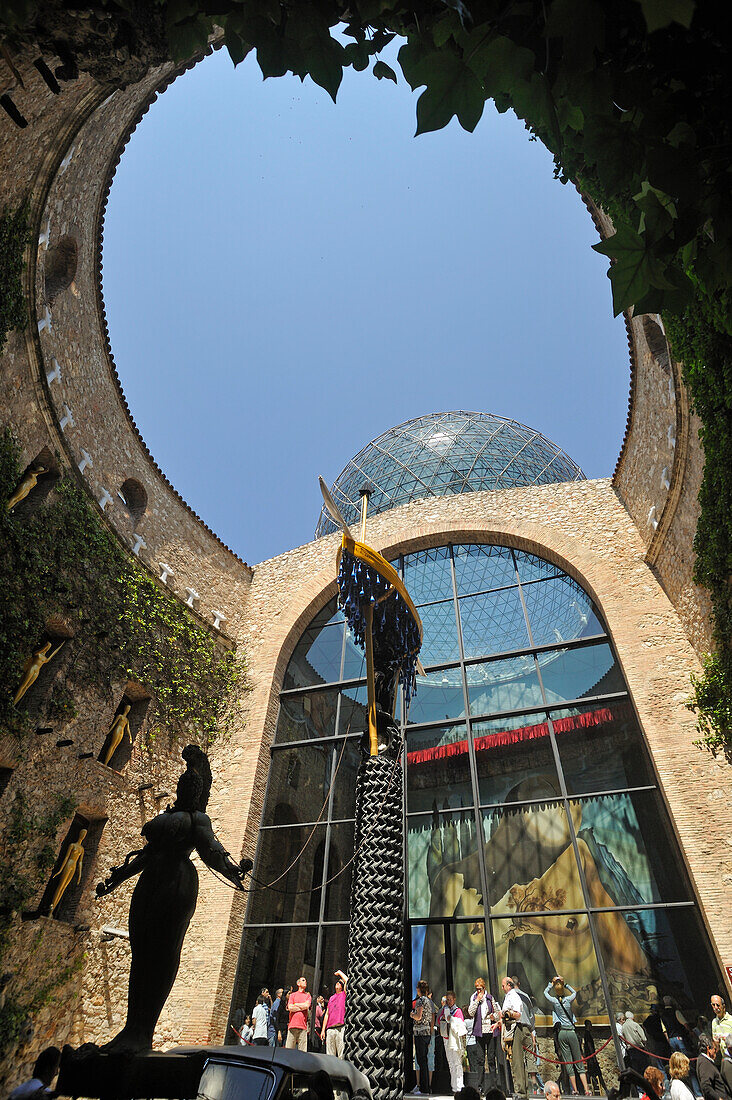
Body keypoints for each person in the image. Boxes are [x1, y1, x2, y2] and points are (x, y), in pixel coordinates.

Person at [543, 976, 589, 1095]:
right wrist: (566, 984)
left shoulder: (554, 1001)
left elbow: (545, 993)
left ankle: (575, 1089)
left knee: (568, 1062)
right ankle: (586, 1089)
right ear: (563, 989)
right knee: (578, 1061)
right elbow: (574, 992)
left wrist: (551, 984)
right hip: (571, 1031)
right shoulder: (568, 1000)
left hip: (562, 1033)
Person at [501, 976, 533, 1100]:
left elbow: (518, 1014)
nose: (502, 988)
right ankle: (523, 1091)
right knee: (519, 1062)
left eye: (503, 985)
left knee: (518, 1062)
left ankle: (521, 1093)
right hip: (519, 1028)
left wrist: (506, 1014)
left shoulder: (513, 996)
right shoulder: (510, 996)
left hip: (517, 1029)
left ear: (509, 985)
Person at [468, 977, 500, 1095]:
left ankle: (493, 1086)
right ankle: (480, 1086)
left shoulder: (490, 998)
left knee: (491, 1059)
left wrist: (494, 1017)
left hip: (490, 1031)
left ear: (484, 988)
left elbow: (497, 1014)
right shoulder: (474, 997)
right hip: (479, 1032)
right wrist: (477, 1000)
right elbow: (471, 1013)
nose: (478, 991)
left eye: (480, 989)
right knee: (480, 1060)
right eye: (476, 989)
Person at [512, 977, 543, 1096]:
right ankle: (534, 1084)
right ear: (519, 983)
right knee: (530, 1057)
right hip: (527, 1028)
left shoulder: (511, 996)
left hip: (517, 1028)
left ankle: (523, 1087)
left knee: (518, 1059)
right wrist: (532, 1030)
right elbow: (531, 1015)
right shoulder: (525, 996)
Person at [438, 990, 466, 1093]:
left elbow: (461, 1024)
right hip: (446, 1038)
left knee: (457, 1063)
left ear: (454, 999)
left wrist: (451, 1019)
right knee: (450, 1063)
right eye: (447, 1000)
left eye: (450, 999)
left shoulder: (457, 1010)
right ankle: (454, 1087)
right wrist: (443, 1015)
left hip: (454, 1040)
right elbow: (439, 1021)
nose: (449, 1002)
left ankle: (460, 1086)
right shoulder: (444, 1010)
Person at [411, 979, 434, 1095]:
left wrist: (411, 1014)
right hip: (427, 1033)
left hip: (420, 1034)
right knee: (424, 1060)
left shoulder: (420, 1001)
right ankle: (426, 1087)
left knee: (421, 1061)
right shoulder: (429, 1002)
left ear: (419, 989)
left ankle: (423, 1088)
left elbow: (418, 1016)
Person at [697, 1034, 732, 1100]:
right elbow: (706, 1086)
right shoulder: (704, 1063)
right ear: (708, 1049)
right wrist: (718, 1098)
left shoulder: (704, 1061)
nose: (716, 1052)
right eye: (715, 1049)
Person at [322, 971, 348, 1058]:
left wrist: (340, 973)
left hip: (340, 1028)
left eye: (340, 983)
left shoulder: (344, 995)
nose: (338, 983)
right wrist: (323, 1030)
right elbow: (327, 1014)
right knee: (330, 1055)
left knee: (341, 1054)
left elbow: (348, 981)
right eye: (337, 982)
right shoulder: (331, 998)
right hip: (330, 1029)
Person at [286, 976, 312, 1051]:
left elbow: (306, 1006)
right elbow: (290, 1007)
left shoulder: (308, 996)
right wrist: (301, 1006)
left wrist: (296, 1004)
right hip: (292, 1026)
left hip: (303, 1027)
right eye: (303, 980)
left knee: (302, 1052)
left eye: (306, 981)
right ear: (298, 983)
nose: (305, 982)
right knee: (289, 1051)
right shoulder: (292, 995)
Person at [582, 1020, 606, 1095]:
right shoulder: (587, 1034)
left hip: (591, 1056)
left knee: (595, 1073)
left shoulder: (587, 1034)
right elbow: (589, 1045)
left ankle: (603, 1087)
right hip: (591, 1057)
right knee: (597, 1073)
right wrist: (593, 1056)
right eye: (590, 1025)